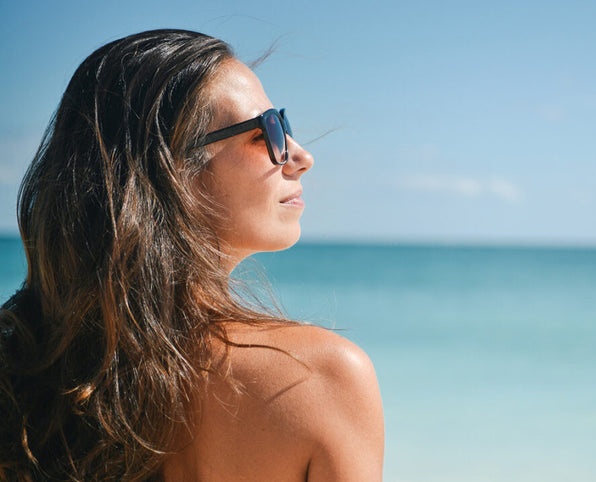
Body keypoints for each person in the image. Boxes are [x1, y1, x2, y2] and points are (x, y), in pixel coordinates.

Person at [0, 29, 384, 481]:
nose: (300, 156)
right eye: (269, 131)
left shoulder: (23, 377)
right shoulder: (322, 380)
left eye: (284, 122)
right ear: (172, 171)